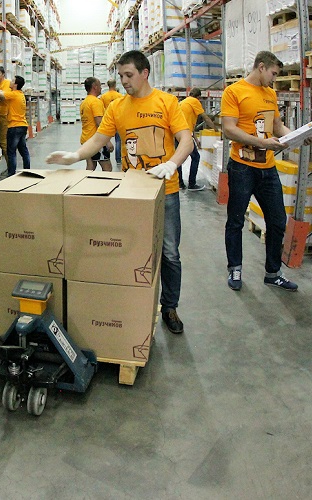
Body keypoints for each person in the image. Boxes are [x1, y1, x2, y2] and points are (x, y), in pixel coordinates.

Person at [46, 50, 192, 335]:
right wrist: (74, 156)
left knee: (170, 253)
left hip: (166, 192)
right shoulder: (116, 107)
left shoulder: (167, 102)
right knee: (130, 249)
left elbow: (187, 141)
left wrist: (172, 164)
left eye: (129, 75)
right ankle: (131, 303)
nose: (124, 81)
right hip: (132, 192)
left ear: (144, 72)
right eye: (121, 76)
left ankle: (170, 307)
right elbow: (99, 138)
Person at [220, 50, 298, 292]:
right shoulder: (234, 92)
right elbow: (228, 129)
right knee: (235, 220)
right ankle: (235, 268)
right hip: (242, 167)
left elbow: (277, 125)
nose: (274, 79)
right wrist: (262, 142)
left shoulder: (270, 94)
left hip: (267, 168)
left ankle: (273, 273)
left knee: (277, 222)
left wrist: (296, 136)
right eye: (273, 73)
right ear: (261, 67)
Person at [178, 87, 219, 191]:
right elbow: (205, 118)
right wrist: (216, 130)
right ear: (198, 97)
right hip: (184, 135)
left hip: (178, 133)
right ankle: (191, 184)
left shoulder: (184, 102)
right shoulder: (194, 101)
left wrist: (196, 141)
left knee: (178, 158)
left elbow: (190, 126)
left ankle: (180, 183)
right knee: (196, 157)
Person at [79, 77, 112, 172]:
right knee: (107, 168)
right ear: (95, 87)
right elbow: (99, 122)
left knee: (91, 166)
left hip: (85, 139)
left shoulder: (84, 102)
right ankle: (106, 186)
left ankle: (84, 185)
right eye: (100, 86)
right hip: (96, 142)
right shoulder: (96, 102)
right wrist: (107, 141)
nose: (101, 88)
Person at [5, 75, 31, 174]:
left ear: (15, 84)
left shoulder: (14, 94)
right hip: (22, 126)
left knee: (11, 152)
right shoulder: (21, 94)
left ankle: (11, 174)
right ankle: (27, 171)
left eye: (12, 81)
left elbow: (1, 94)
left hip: (14, 126)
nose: (10, 82)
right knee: (23, 150)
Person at [100, 79, 124, 163]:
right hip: (118, 120)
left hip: (107, 120)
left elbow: (101, 109)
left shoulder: (103, 96)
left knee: (106, 139)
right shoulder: (120, 96)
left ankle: (106, 156)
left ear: (108, 85)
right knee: (118, 140)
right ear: (115, 85)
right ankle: (118, 159)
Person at [0, 66, 11, 164]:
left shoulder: (7, 83)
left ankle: (10, 167)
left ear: (3, 74)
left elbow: (5, 96)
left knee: (4, 142)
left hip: (5, 114)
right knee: (3, 141)